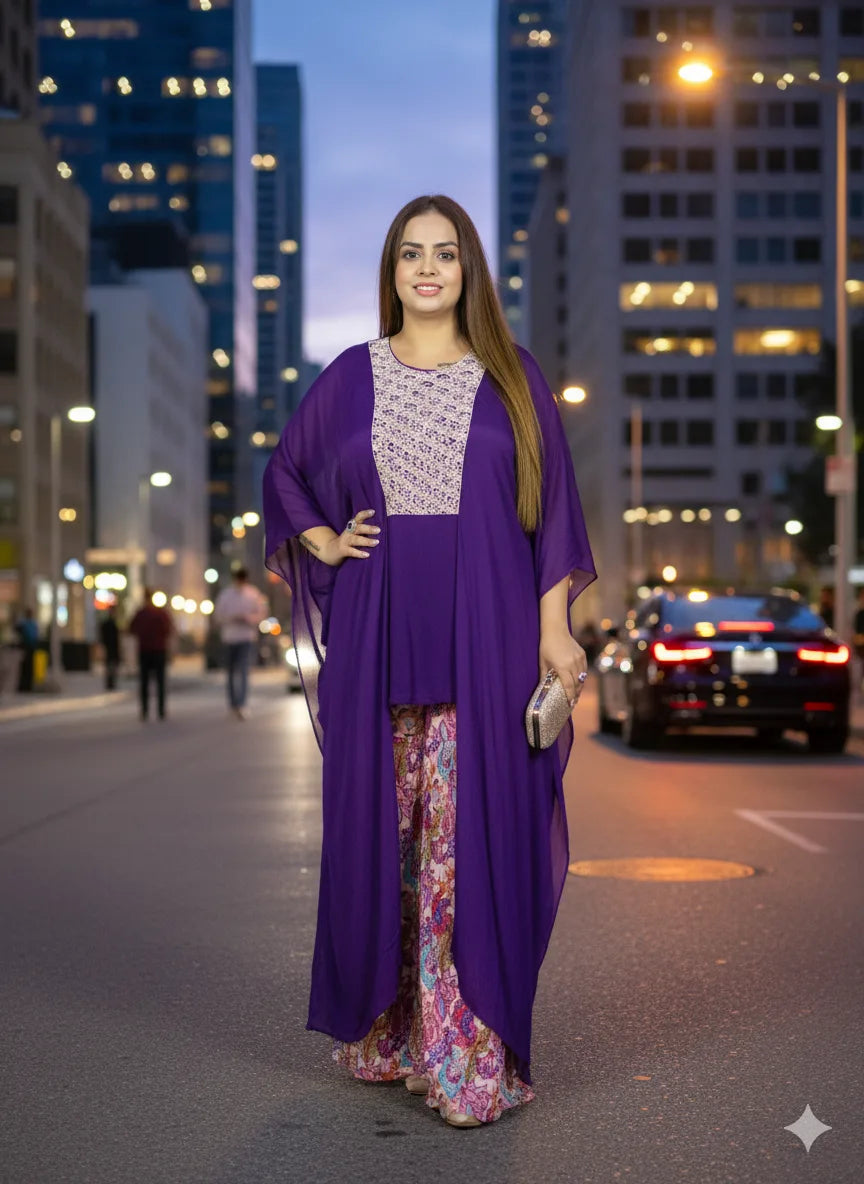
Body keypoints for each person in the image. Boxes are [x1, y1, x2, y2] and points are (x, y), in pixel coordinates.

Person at [263, 195, 596, 1128]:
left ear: (467, 270)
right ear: (392, 271)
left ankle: (466, 1059)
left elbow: (550, 512)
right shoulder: (351, 375)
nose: (426, 269)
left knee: (465, 843)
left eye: (444, 254)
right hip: (377, 631)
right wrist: (325, 540)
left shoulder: (512, 375)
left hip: (487, 631)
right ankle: (398, 1035)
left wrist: (556, 628)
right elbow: (284, 472)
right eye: (410, 253)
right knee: (391, 842)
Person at [213, 566, 266, 718]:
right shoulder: (226, 595)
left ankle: (241, 704)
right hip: (229, 637)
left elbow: (261, 615)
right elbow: (218, 615)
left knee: (242, 671)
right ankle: (233, 704)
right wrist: (231, 618)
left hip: (246, 637)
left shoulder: (253, 594)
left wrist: (247, 618)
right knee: (230, 672)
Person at [128, 589, 173, 720]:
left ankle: (145, 710)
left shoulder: (141, 613)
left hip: (145, 650)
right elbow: (168, 629)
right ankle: (161, 710)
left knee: (144, 682)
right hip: (159, 650)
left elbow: (131, 628)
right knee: (160, 681)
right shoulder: (161, 613)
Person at [14, 607, 39, 692]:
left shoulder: (29, 624)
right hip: (28, 648)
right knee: (26, 668)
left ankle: (26, 686)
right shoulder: (28, 624)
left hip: (28, 648)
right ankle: (26, 686)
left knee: (27, 668)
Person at [99, 605, 121, 691]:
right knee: (109, 665)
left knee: (112, 665)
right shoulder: (108, 624)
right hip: (109, 647)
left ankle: (111, 682)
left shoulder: (114, 623)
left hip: (113, 647)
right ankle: (110, 682)